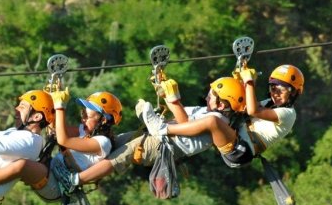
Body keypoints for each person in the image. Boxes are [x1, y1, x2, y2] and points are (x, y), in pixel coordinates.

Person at [51, 76, 246, 191]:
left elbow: (185, 124)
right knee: (120, 140)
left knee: (127, 151)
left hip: (169, 145)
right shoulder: (206, 112)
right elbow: (182, 117)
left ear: (222, 103)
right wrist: (167, 94)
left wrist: (171, 106)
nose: (206, 96)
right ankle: (158, 127)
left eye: (211, 96)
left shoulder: (219, 122)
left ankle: (75, 181)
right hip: (163, 137)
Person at [141, 65, 304, 167]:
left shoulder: (288, 114)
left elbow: (253, 111)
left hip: (240, 151)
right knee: (200, 113)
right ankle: (164, 93)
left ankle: (162, 129)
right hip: (235, 135)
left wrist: (249, 83)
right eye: (273, 88)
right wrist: (240, 79)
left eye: (283, 90)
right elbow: (247, 105)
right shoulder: (270, 102)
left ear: (295, 92)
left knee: (212, 120)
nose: (276, 93)